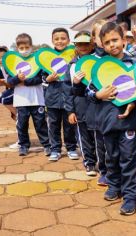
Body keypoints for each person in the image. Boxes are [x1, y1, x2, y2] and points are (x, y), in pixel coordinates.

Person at [90, 22, 136, 215]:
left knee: (129, 159)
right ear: (102, 45)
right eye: (107, 42)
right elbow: (90, 90)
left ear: (123, 40)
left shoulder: (135, 64)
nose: (112, 44)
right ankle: (114, 185)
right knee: (111, 157)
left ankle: (131, 195)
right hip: (107, 121)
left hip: (129, 122)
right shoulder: (99, 66)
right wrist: (98, 95)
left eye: (115, 40)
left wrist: (134, 103)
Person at [63, 31, 107, 180]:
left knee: (98, 137)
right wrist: (70, 111)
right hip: (80, 106)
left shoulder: (102, 60)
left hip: (98, 106)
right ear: (75, 45)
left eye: (86, 43)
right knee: (83, 137)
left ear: (92, 43)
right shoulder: (72, 65)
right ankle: (89, 162)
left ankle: (103, 165)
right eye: (79, 44)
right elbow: (67, 90)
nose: (83, 47)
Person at [6, 33, 51, 157]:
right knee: (22, 124)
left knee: (40, 123)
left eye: (27, 47)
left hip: (37, 100)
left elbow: (42, 78)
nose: (24, 50)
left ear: (31, 47)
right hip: (21, 101)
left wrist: (25, 81)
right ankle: (24, 146)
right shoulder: (14, 63)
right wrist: (16, 78)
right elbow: (9, 82)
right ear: (17, 49)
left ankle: (47, 145)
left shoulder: (37, 61)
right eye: (21, 48)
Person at [44, 28, 79, 161]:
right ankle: (55, 149)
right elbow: (42, 77)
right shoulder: (47, 58)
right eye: (56, 39)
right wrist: (48, 79)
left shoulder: (73, 56)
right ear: (52, 41)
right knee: (53, 125)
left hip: (69, 97)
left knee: (69, 124)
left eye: (63, 38)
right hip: (52, 98)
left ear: (69, 40)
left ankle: (71, 148)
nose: (60, 41)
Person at [0, 46, 19, 149]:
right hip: (11, 91)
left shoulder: (11, 66)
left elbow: (12, 82)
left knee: (3, 98)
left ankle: (20, 117)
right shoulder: (1, 69)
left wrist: (0, 83)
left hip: (18, 91)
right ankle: (21, 138)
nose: (0, 60)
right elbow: (1, 82)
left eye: (3, 57)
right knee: (15, 117)